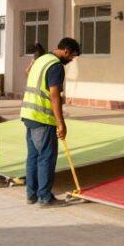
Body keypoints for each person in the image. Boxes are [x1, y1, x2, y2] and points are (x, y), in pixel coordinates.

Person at [20, 37, 81, 207]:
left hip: (29, 115)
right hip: (43, 118)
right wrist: (61, 123)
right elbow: (55, 96)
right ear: (66, 51)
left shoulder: (41, 60)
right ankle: (45, 198)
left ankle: (31, 195)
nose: (71, 60)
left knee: (33, 156)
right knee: (46, 157)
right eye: (72, 57)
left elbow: (29, 75)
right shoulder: (55, 66)